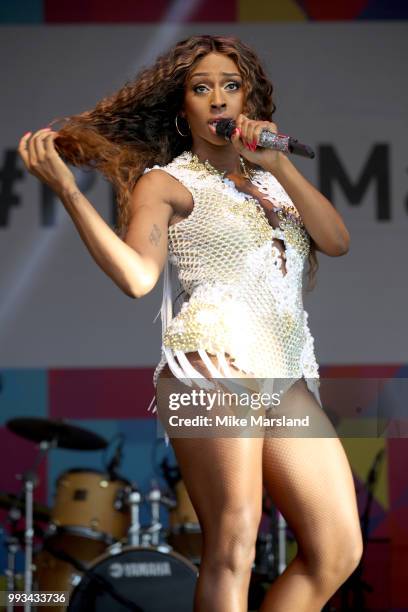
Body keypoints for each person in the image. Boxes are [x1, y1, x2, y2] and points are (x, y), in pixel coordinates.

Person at [18, 35, 362, 612]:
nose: (218, 99)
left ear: (249, 100)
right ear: (185, 110)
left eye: (231, 86)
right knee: (233, 545)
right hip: (211, 362)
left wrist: (275, 161)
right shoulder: (168, 183)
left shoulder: (274, 181)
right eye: (202, 89)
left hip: (285, 368)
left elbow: (337, 240)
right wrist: (70, 194)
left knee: (338, 551)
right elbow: (136, 278)